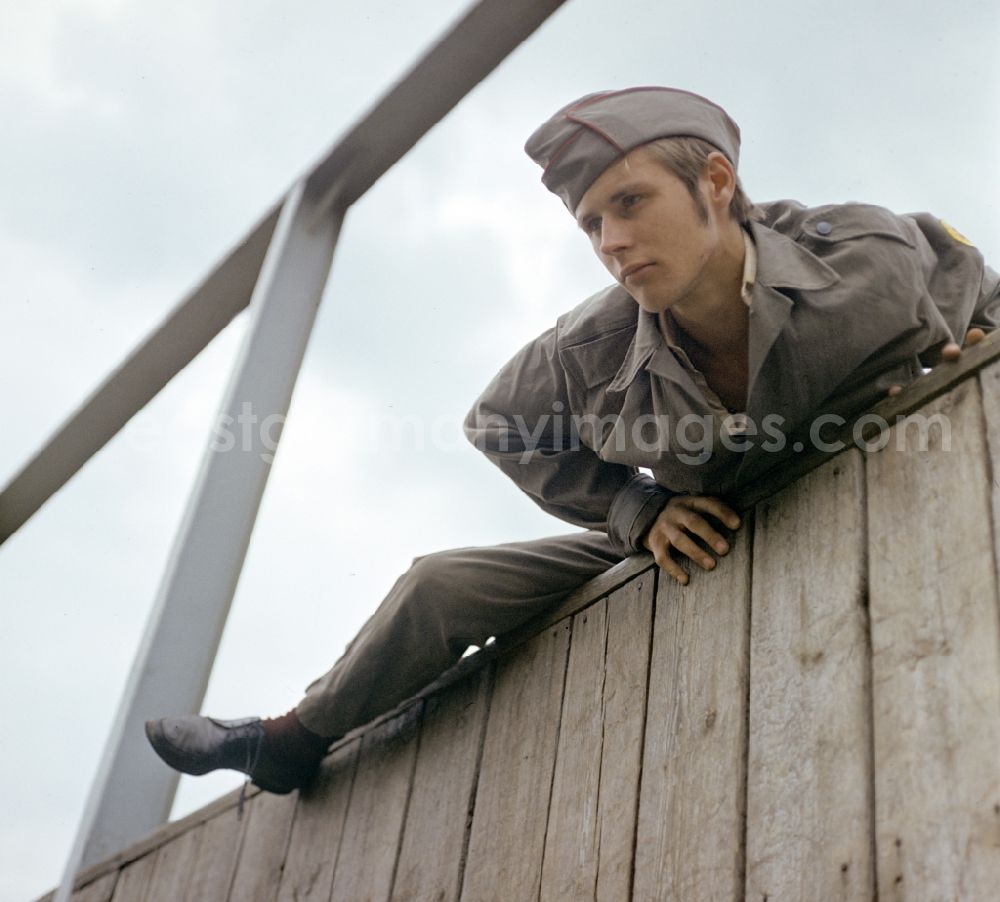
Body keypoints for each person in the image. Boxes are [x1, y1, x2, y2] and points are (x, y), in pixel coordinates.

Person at [146, 86, 999, 794]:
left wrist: (971, 365)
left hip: (869, 482)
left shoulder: (862, 254)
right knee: (440, 582)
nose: (613, 243)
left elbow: (976, 291)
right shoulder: (590, 349)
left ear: (713, 180)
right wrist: (636, 506)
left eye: (631, 204)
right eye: (592, 224)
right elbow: (497, 425)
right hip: (708, 523)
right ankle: (285, 741)